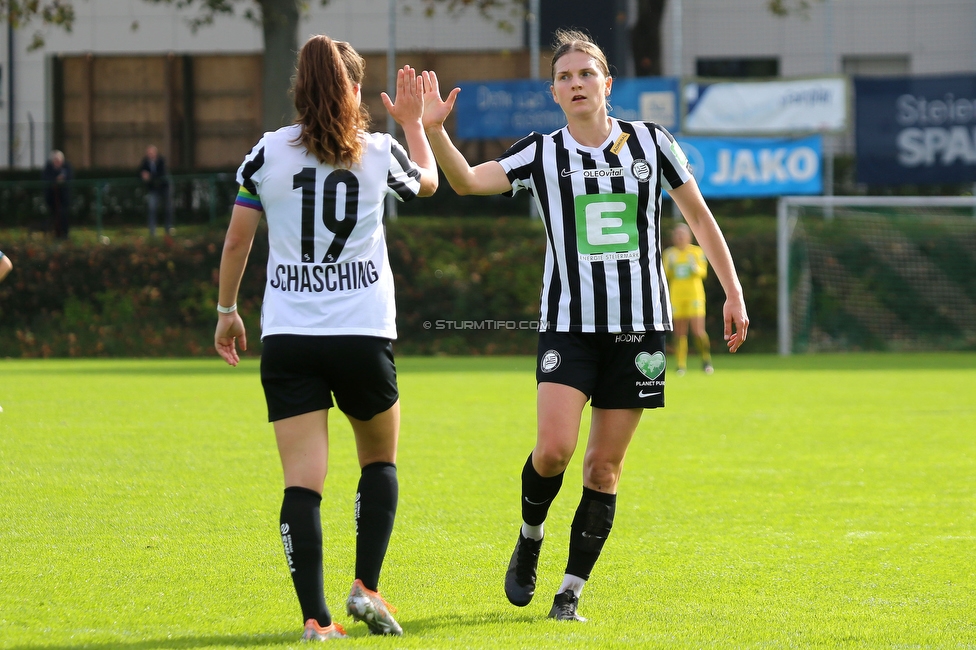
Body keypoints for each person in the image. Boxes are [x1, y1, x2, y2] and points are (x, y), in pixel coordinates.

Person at [421, 29, 748, 622]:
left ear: (607, 84)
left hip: (641, 332)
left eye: (585, 74)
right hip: (570, 327)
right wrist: (437, 130)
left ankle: (569, 593)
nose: (576, 84)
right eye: (565, 77)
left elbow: (698, 215)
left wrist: (732, 290)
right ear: (553, 91)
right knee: (554, 450)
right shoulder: (542, 152)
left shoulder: (652, 143)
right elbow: (468, 181)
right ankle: (529, 535)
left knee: (603, 467)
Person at [214, 35, 437, 642]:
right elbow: (429, 184)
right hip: (361, 333)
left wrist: (226, 310)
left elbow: (237, 241)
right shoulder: (378, 149)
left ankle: (316, 620)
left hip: (290, 336)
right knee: (379, 460)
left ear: (298, 89)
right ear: (355, 89)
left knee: (301, 482)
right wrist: (415, 125)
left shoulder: (265, 153)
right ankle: (365, 586)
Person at [663, 222, 713, 375]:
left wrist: (695, 268)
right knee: (679, 332)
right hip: (676, 296)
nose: (679, 238)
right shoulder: (669, 254)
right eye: (676, 235)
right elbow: (665, 275)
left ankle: (706, 360)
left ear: (688, 236)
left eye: (682, 234)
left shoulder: (696, 252)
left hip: (695, 296)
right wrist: (670, 268)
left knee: (698, 331)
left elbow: (703, 273)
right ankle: (680, 365)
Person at [139, 145, 173, 236]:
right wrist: (143, 175)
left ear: (155, 153)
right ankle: (152, 231)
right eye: (148, 153)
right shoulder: (145, 162)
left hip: (164, 188)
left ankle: (168, 229)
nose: (150, 155)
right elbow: (140, 172)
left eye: (151, 153)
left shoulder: (161, 161)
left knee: (167, 209)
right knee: (152, 208)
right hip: (153, 189)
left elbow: (162, 173)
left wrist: (150, 176)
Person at [42, 150, 72, 239]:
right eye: (55, 160)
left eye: (58, 160)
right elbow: (45, 178)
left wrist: (63, 180)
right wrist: (55, 180)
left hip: (64, 197)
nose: (57, 162)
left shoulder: (67, 167)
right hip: (52, 197)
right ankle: (55, 234)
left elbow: (70, 177)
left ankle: (65, 234)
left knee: (63, 214)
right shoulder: (48, 168)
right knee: (54, 215)